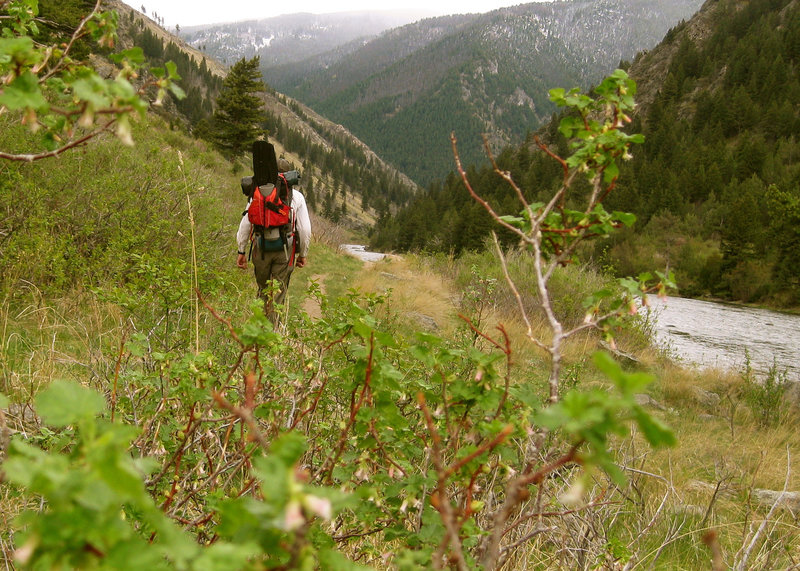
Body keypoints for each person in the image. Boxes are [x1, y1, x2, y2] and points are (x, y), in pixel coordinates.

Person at [236, 158, 312, 324]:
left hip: (260, 249)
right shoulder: (296, 197)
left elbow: (245, 224)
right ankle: (272, 334)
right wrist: (303, 254)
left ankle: (257, 330)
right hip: (285, 251)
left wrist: (241, 251)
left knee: (263, 290)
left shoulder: (257, 193)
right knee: (277, 293)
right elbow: (305, 230)